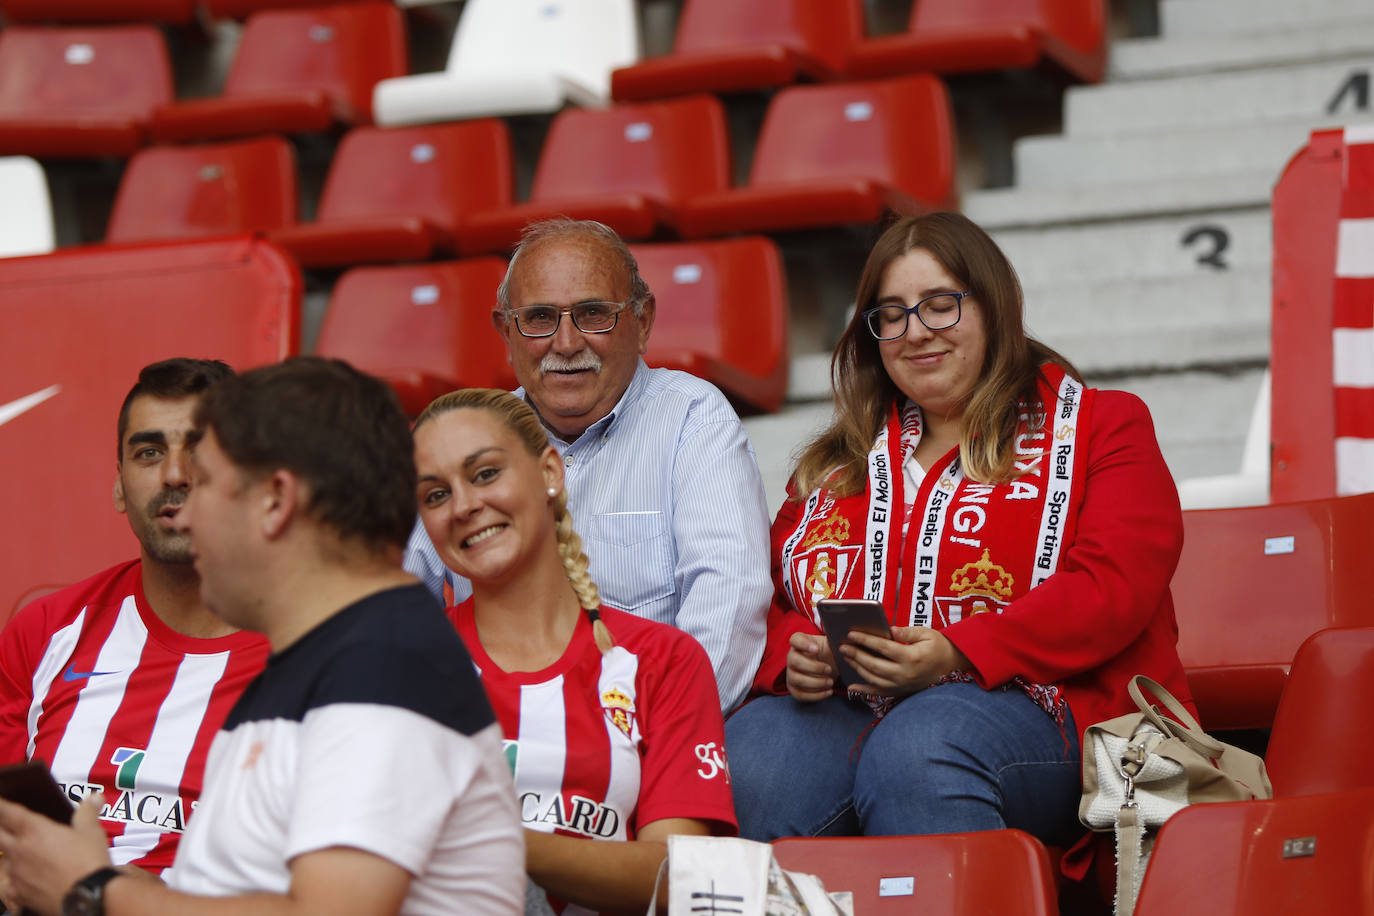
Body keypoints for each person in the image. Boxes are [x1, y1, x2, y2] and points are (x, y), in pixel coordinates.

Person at [725, 213, 1195, 870]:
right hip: (854, 706)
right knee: (756, 749)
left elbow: (1113, 587)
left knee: (925, 743)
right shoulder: (838, 464)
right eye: (891, 314)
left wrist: (957, 654)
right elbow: (765, 599)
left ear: (994, 307)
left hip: (1065, 719)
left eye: (940, 306)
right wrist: (791, 655)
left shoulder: (1101, 427)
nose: (916, 331)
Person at [0, 357, 524, 916]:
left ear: (274, 501)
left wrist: (93, 890)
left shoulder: (386, 663)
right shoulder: (328, 657)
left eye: (211, 484)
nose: (187, 510)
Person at [403, 218, 772, 715]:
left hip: (654, 733)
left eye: (594, 313)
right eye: (538, 318)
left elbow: (728, 610)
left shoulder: (691, 417)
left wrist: (631, 739)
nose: (567, 342)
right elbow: (395, 603)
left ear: (642, 322)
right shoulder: (470, 442)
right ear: (505, 332)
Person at [412, 388, 736, 916]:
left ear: (549, 474)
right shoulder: (404, 668)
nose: (465, 505)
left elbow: (679, 880)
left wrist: (508, 845)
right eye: (435, 495)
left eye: (486, 473)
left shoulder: (663, 659)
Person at [0, 358, 269, 875]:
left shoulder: (315, 649)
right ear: (120, 486)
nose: (175, 474)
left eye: (202, 450)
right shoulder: (47, 631)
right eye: (149, 453)